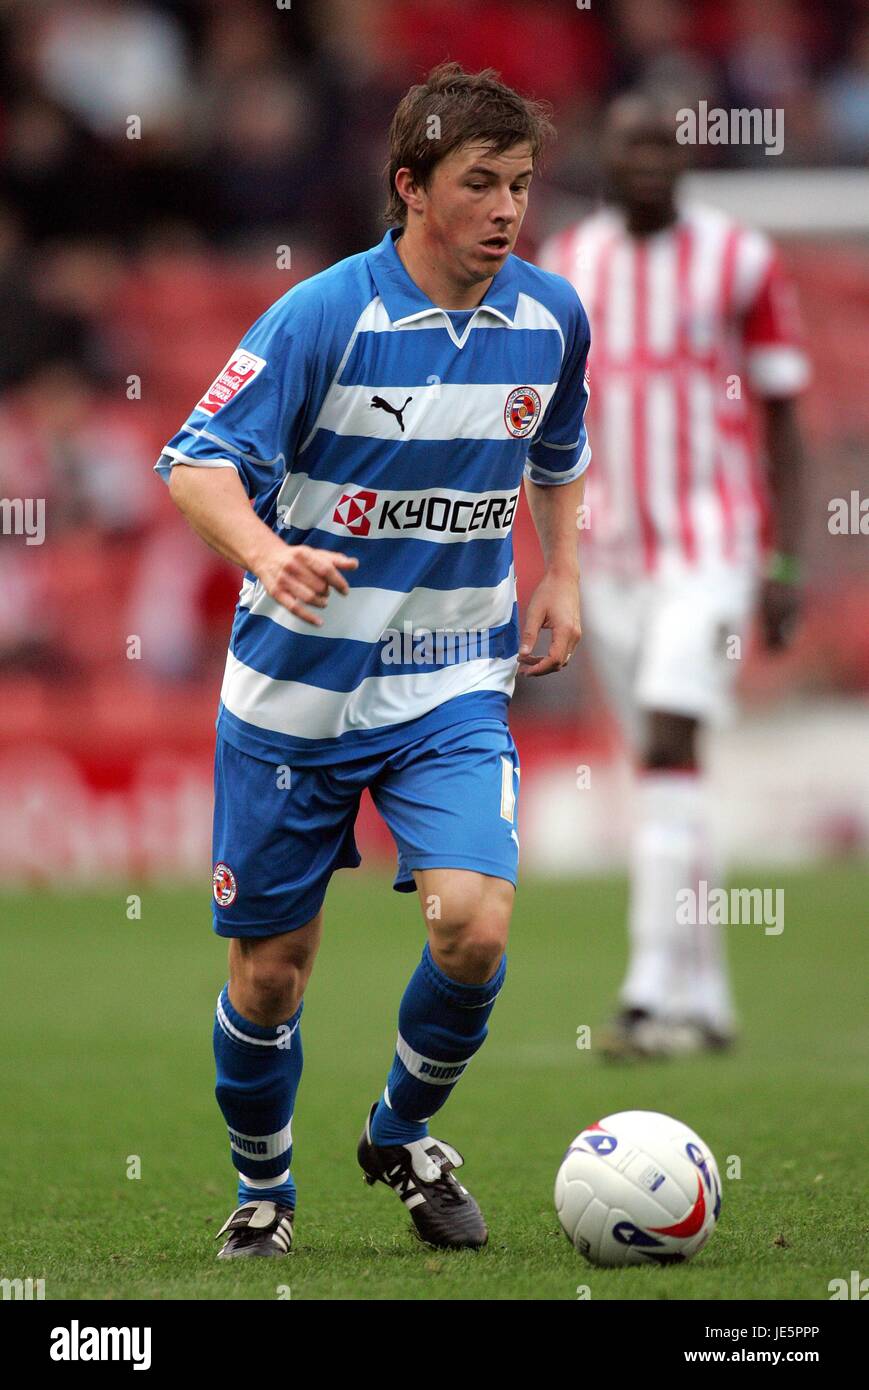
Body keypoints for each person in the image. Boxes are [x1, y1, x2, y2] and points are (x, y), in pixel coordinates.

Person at [156, 62, 591, 1256]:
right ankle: (264, 1190)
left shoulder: (550, 315)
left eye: (519, 184)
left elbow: (558, 450)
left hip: (450, 680)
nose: (507, 209)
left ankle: (398, 1133)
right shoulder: (322, 317)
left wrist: (562, 573)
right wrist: (265, 551)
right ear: (410, 187)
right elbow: (193, 462)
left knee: (475, 926)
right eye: (479, 184)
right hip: (296, 691)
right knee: (272, 982)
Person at [539, 92, 809, 1059]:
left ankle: (651, 990)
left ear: (686, 159)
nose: (650, 160)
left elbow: (781, 413)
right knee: (665, 768)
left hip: (711, 540)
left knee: (667, 735)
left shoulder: (740, 257)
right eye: (631, 145)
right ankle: (710, 999)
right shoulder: (569, 265)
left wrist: (784, 560)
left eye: (664, 144)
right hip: (609, 552)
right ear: (602, 159)